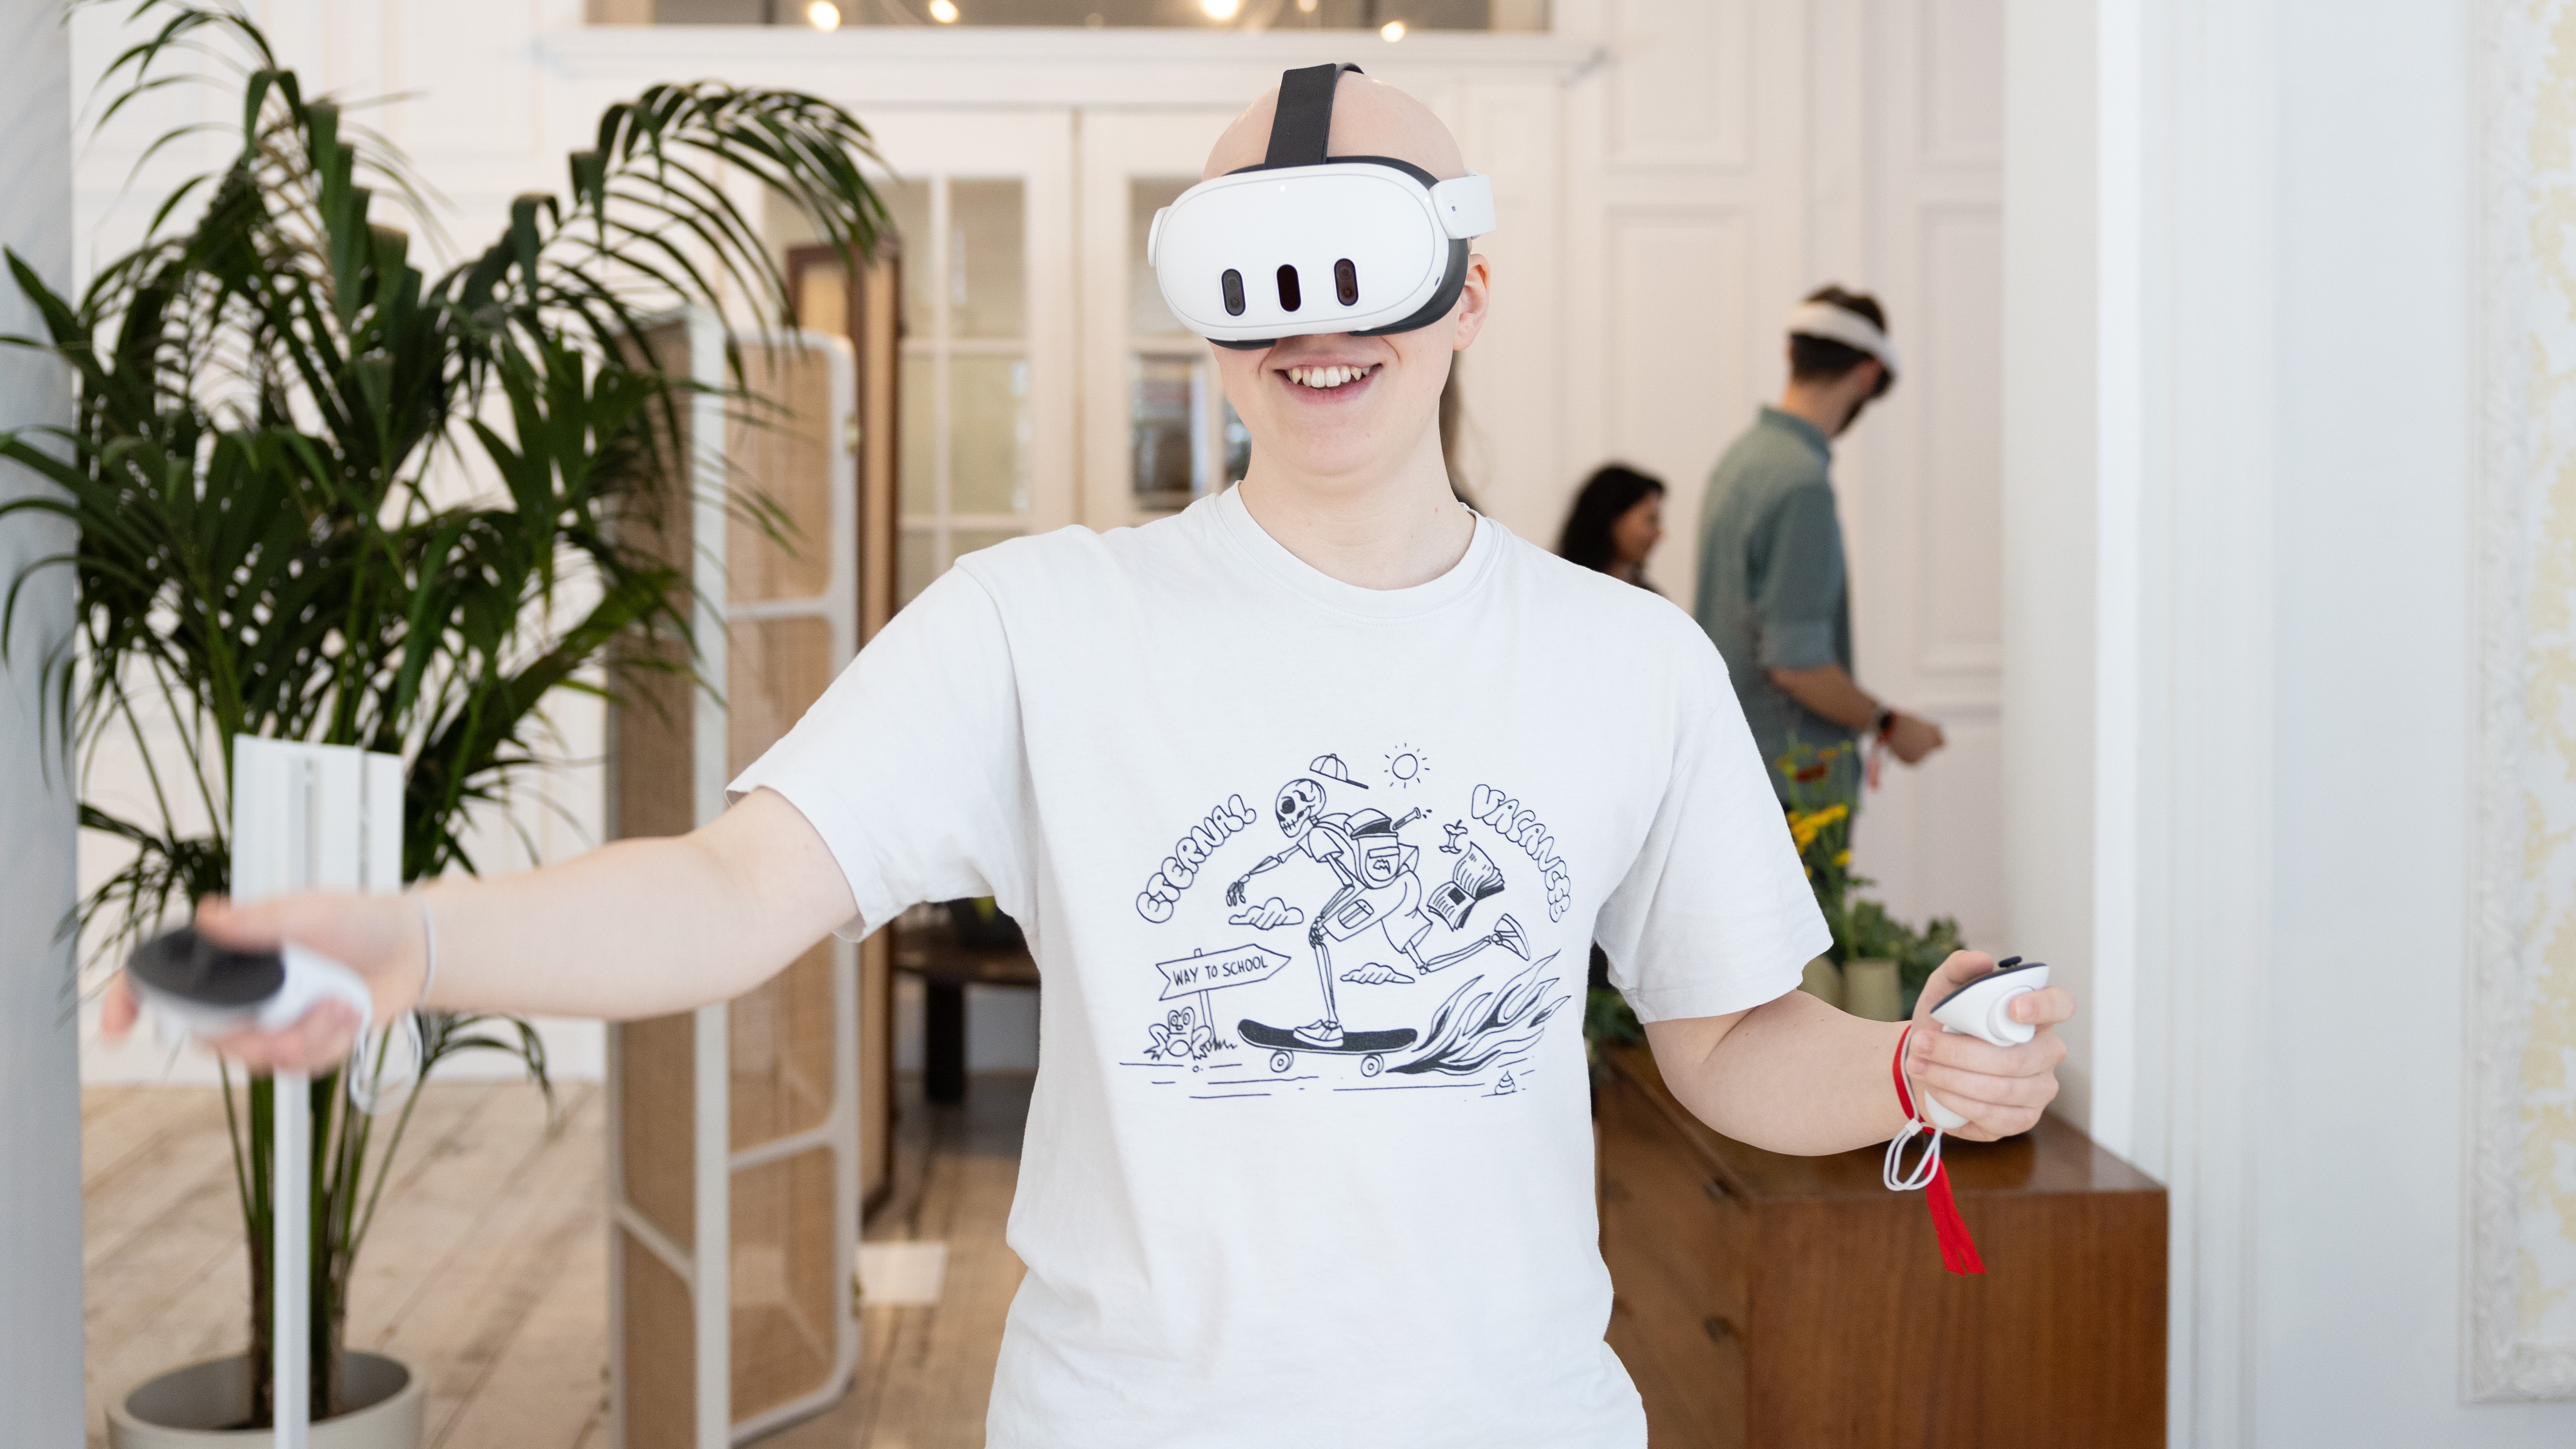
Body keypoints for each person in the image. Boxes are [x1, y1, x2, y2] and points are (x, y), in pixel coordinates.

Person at [106, 74, 2070, 1448]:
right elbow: (730, 889)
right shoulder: (1034, 621)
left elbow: (1727, 1035)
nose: (1319, 332)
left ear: (1469, 287)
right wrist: (406, 939)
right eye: (1257, 274)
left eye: (1371, 264)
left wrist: (1914, 1063)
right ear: (1207, 304)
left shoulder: (1626, 664)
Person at [1694, 287, 1946, 804]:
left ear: (1792, 354)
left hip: (1738, 773)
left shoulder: (1742, 460)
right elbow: (1796, 664)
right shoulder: (1800, 482)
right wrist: (1891, 725)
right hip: (1792, 785)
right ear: (1869, 375)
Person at [1556, 463, 1666, 591]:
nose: (1659, 533)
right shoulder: (1562, 587)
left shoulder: (1649, 597)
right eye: (1651, 520)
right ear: (1613, 518)